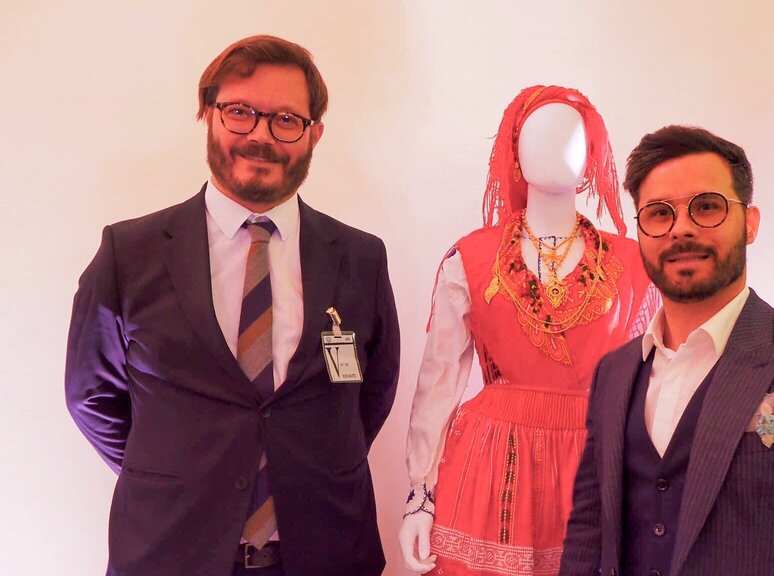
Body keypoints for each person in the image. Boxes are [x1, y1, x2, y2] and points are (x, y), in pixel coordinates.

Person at [64, 35, 400, 576]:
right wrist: (174, 477)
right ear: (208, 114)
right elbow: (92, 396)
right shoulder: (128, 253)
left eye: (286, 120)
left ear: (314, 134)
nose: (260, 136)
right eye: (240, 112)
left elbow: (372, 392)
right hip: (169, 553)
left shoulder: (361, 258)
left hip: (329, 551)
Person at [559, 125, 774, 576]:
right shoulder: (614, 372)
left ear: (750, 223)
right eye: (659, 213)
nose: (681, 228)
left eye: (707, 207)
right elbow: (587, 540)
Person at [399, 86, 656, 576]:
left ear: (593, 152)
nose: (555, 146)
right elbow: (438, 381)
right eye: (538, 134)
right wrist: (420, 494)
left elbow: (657, 388)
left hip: (596, 462)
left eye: (571, 135)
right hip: (493, 465)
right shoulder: (470, 258)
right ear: (513, 150)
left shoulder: (635, 264)